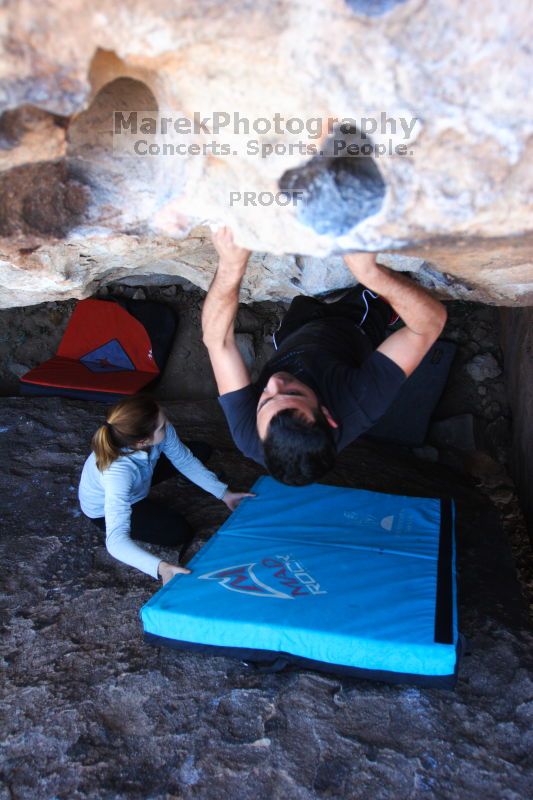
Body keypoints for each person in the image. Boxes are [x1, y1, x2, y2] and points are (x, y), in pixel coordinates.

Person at [202, 227, 447, 486]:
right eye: (293, 393)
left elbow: (217, 342)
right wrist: (368, 272)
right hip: (350, 331)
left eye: (263, 401)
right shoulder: (359, 401)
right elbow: (428, 326)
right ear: (328, 415)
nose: (273, 382)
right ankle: (385, 309)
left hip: (294, 338)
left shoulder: (249, 434)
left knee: (303, 305)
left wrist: (231, 264)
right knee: (375, 299)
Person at [78, 396, 252, 584]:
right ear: (142, 441)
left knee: (200, 451)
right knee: (178, 532)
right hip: (106, 508)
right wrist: (160, 567)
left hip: (142, 476)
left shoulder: (154, 433)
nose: (168, 424)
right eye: (161, 427)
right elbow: (116, 542)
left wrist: (224, 493)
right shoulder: (117, 473)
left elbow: (184, 460)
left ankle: (151, 485)